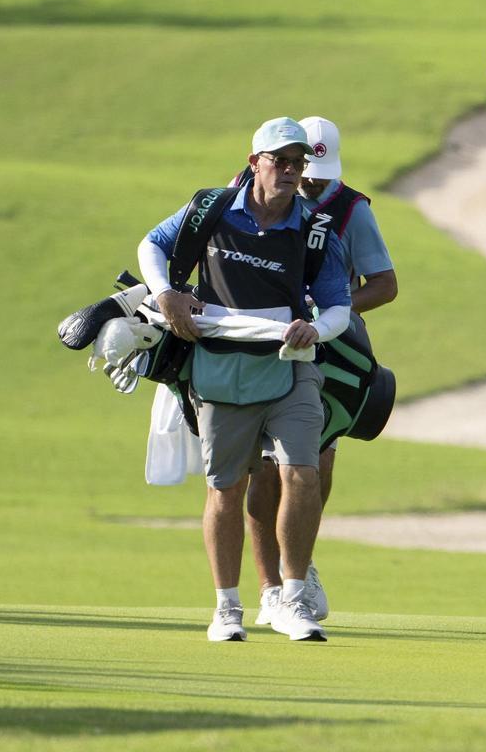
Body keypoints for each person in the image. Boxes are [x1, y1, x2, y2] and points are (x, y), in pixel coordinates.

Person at [137, 117, 351, 642]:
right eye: (281, 161)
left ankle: (293, 599)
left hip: (289, 363)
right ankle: (226, 609)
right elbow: (152, 244)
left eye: (298, 163)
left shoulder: (314, 228)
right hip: (219, 365)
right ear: (255, 162)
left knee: (300, 472)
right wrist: (165, 294)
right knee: (225, 487)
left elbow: (340, 306)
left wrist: (316, 327)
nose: (291, 171)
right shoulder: (211, 208)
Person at [246, 116, 397, 627]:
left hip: (325, 356)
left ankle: (299, 564)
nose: (304, 183)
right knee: (257, 468)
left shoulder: (351, 211)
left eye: (312, 174)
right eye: (295, 169)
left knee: (311, 469)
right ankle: (271, 587)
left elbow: (385, 284)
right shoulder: (245, 192)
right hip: (255, 349)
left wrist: (329, 311)